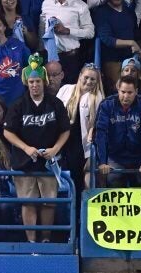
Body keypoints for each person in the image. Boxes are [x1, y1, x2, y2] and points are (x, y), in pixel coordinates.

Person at [3, 54, 70, 243]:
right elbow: (8, 132)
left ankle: (46, 239)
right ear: (27, 83)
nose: (35, 85)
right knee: (28, 202)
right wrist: (26, 148)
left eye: (38, 81)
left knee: (49, 202)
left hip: (50, 161)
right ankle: (31, 241)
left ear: (44, 81)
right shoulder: (18, 105)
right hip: (25, 162)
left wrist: (55, 149)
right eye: (31, 81)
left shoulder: (56, 104)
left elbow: (65, 130)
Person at [94, 75, 141, 186]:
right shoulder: (107, 105)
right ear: (118, 89)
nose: (125, 96)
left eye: (129, 92)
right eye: (123, 92)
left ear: (136, 91)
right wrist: (102, 162)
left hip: (138, 158)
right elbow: (100, 134)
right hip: (115, 158)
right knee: (113, 180)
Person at [57, 61, 104, 190]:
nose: (89, 81)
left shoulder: (97, 97)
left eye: (93, 79)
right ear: (80, 76)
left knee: (77, 180)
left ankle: (78, 209)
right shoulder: (65, 89)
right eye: (86, 78)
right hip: (62, 140)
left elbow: (98, 124)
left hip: (81, 145)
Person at [39, 0, 95, 84]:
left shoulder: (80, 5)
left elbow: (90, 32)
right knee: (49, 92)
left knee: (68, 93)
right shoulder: (46, 3)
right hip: (48, 58)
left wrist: (68, 31)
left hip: (70, 59)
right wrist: (41, 49)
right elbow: (42, 27)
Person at [91, 0, 141, 94]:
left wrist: (138, 50)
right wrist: (131, 43)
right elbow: (107, 39)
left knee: (131, 92)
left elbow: (136, 34)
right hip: (112, 61)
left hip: (130, 61)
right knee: (117, 92)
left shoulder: (129, 11)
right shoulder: (100, 12)